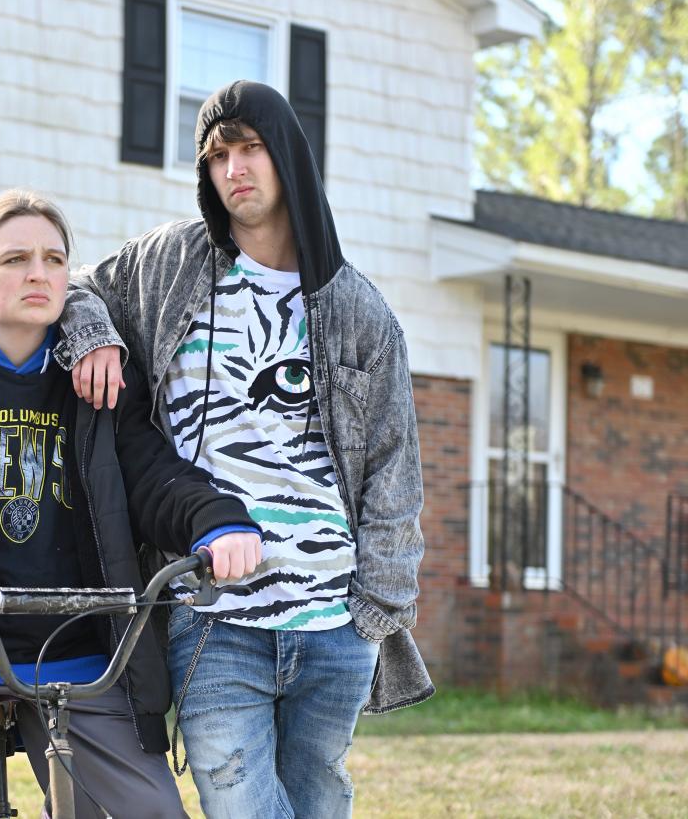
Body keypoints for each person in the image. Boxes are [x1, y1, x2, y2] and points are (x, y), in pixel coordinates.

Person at [54, 81, 433, 818]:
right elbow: (75, 287)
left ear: (286, 155)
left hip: (332, 620)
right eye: (218, 154)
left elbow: (395, 464)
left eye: (250, 147)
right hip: (213, 613)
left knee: (320, 799)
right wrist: (95, 335)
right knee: (240, 804)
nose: (234, 168)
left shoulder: (357, 307)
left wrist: (376, 606)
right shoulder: (171, 262)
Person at [0, 189, 262, 819]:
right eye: (16, 259)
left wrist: (216, 522)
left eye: (55, 260)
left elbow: (149, 472)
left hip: (82, 656)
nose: (39, 273)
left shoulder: (97, 377)